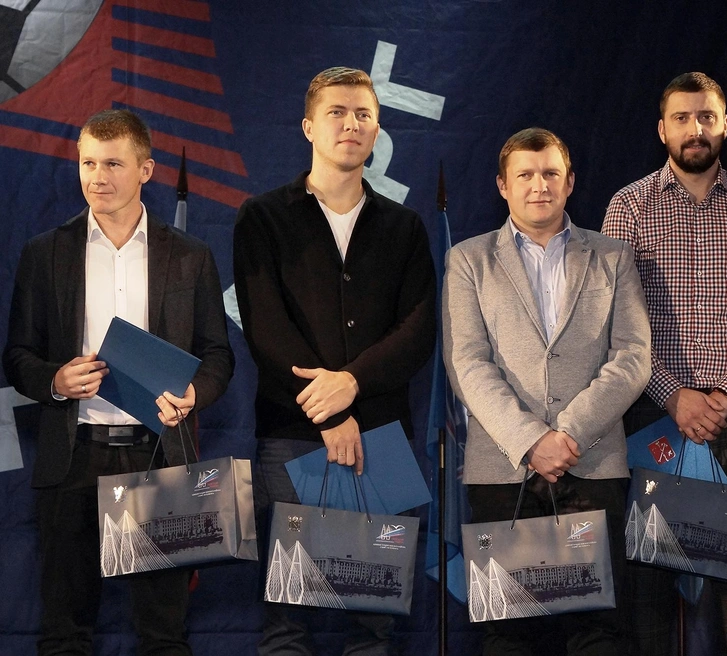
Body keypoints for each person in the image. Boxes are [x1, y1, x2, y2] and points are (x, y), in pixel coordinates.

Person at [2, 108, 234, 655]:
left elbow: (218, 355)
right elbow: (17, 356)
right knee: (64, 632)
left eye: (112, 164)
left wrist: (194, 394)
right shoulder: (45, 252)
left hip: (159, 453)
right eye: (88, 163)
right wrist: (56, 379)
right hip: (72, 456)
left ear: (146, 170)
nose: (97, 177)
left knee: (163, 634)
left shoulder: (190, 256)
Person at [233, 66, 435, 655]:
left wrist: (353, 384)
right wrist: (330, 412)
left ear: (377, 130)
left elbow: (418, 330)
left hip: (382, 439)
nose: (351, 124)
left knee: (375, 619)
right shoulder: (262, 217)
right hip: (292, 436)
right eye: (337, 113)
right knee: (288, 617)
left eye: (363, 114)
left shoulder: (404, 226)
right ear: (308, 127)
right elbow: (266, 328)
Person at [602, 72, 727, 656]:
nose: (695, 129)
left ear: (725, 124)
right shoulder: (629, 207)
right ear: (662, 129)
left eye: (707, 117)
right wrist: (672, 395)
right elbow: (612, 323)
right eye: (682, 118)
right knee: (649, 594)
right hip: (652, 416)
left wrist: (724, 395)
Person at [443, 127, 651, 655]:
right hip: (502, 468)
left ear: (570, 182)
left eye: (551, 173)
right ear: (502, 186)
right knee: (508, 632)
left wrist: (569, 435)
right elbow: (466, 363)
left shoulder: (613, 256)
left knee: (598, 630)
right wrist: (532, 441)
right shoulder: (468, 259)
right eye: (525, 175)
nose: (539, 185)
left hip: (593, 464)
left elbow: (633, 357)